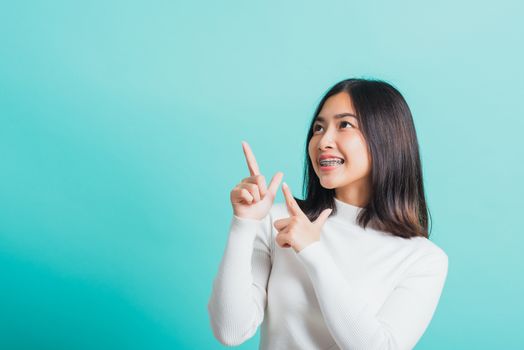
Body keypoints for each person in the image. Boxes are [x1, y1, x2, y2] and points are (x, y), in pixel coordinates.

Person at [207, 78, 449, 350]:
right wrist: (244, 224)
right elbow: (230, 330)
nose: (323, 141)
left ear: (387, 137)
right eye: (318, 128)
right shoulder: (278, 222)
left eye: (344, 125)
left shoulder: (423, 259)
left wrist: (313, 252)